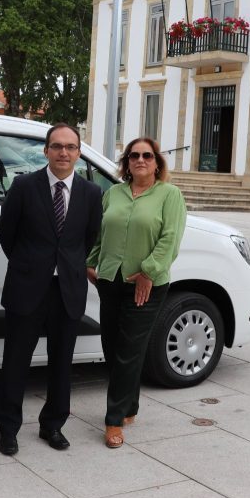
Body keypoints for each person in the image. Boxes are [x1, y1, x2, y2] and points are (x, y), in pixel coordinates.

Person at [0, 124, 102, 456]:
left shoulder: (91, 193)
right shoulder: (24, 186)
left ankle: (52, 425)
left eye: (70, 147)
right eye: (56, 146)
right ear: (46, 151)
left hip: (67, 290)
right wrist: (32, 265)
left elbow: (89, 239)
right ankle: (8, 429)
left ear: (79, 153)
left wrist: (65, 266)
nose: (63, 153)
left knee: (61, 363)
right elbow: (8, 234)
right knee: (15, 361)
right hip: (27, 287)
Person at [86, 137, 186, 449]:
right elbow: (101, 233)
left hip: (147, 284)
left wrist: (148, 272)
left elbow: (171, 238)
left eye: (146, 155)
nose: (139, 160)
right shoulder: (114, 193)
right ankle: (129, 405)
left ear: (157, 162)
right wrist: (91, 265)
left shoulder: (170, 195)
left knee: (129, 349)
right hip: (110, 280)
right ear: (127, 162)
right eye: (133, 156)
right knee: (113, 345)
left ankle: (113, 420)